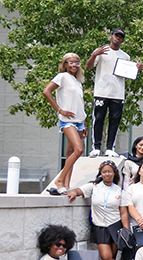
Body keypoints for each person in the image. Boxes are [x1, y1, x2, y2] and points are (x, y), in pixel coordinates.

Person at [66, 161, 130, 260]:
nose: (107, 174)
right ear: (100, 173)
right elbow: (78, 190)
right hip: (99, 226)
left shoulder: (120, 191)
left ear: (114, 173)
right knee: (106, 257)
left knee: (111, 257)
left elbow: (123, 212)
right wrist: (73, 192)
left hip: (115, 226)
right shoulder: (94, 187)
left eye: (110, 171)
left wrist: (126, 230)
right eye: (104, 171)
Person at [85, 29, 143, 157]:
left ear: (122, 40)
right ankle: (96, 147)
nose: (118, 38)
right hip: (101, 91)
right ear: (111, 36)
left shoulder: (125, 56)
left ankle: (110, 148)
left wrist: (137, 70)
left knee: (114, 121)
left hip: (117, 93)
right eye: (116, 35)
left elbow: (128, 75)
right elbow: (88, 67)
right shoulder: (101, 51)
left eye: (120, 37)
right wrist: (95, 55)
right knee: (98, 119)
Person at [43, 53, 87, 195]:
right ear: (65, 63)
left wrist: (84, 123)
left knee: (69, 153)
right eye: (71, 62)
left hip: (79, 120)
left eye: (77, 63)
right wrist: (60, 110)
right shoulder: (61, 77)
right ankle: (60, 180)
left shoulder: (78, 81)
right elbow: (46, 92)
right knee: (78, 150)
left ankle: (66, 186)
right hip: (67, 120)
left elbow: (79, 104)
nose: (74, 65)